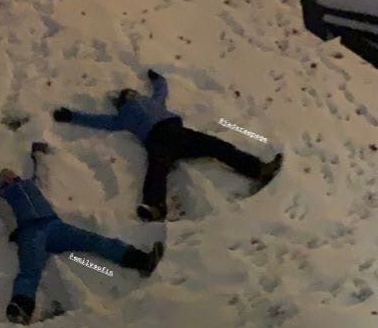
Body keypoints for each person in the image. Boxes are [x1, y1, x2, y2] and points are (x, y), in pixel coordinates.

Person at [0, 142, 164, 324]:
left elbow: (39, 174)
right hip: (29, 233)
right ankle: (21, 306)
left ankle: (140, 260)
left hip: (55, 227)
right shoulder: (2, 200)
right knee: (30, 270)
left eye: (10, 173)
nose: (10, 175)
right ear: (1, 184)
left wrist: (37, 154)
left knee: (94, 241)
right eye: (5, 176)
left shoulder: (30, 185)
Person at [53, 70, 282, 222]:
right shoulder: (122, 117)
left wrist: (157, 78)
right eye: (128, 95)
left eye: (133, 92)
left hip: (177, 132)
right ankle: (155, 207)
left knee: (217, 146)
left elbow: (161, 90)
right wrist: (72, 116)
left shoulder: (152, 102)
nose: (133, 94)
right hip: (157, 138)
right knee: (156, 171)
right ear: (123, 102)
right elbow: (99, 121)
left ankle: (258, 169)